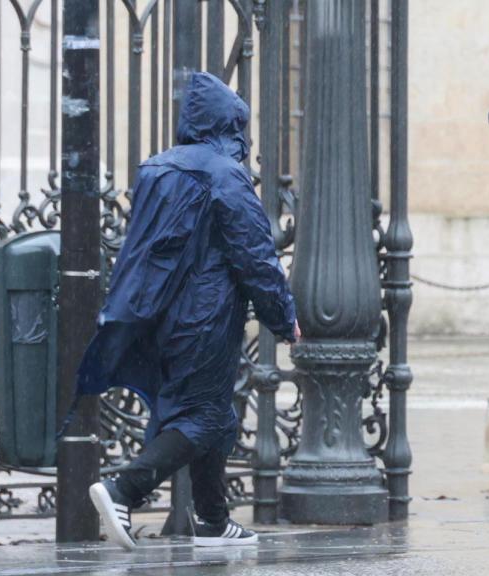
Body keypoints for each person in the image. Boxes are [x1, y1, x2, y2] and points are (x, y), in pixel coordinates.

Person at [77, 72, 298, 550]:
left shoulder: (157, 169)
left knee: (203, 409)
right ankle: (124, 489)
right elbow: (256, 256)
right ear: (230, 124)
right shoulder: (224, 174)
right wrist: (283, 317)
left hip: (158, 312)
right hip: (207, 316)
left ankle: (215, 521)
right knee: (207, 417)